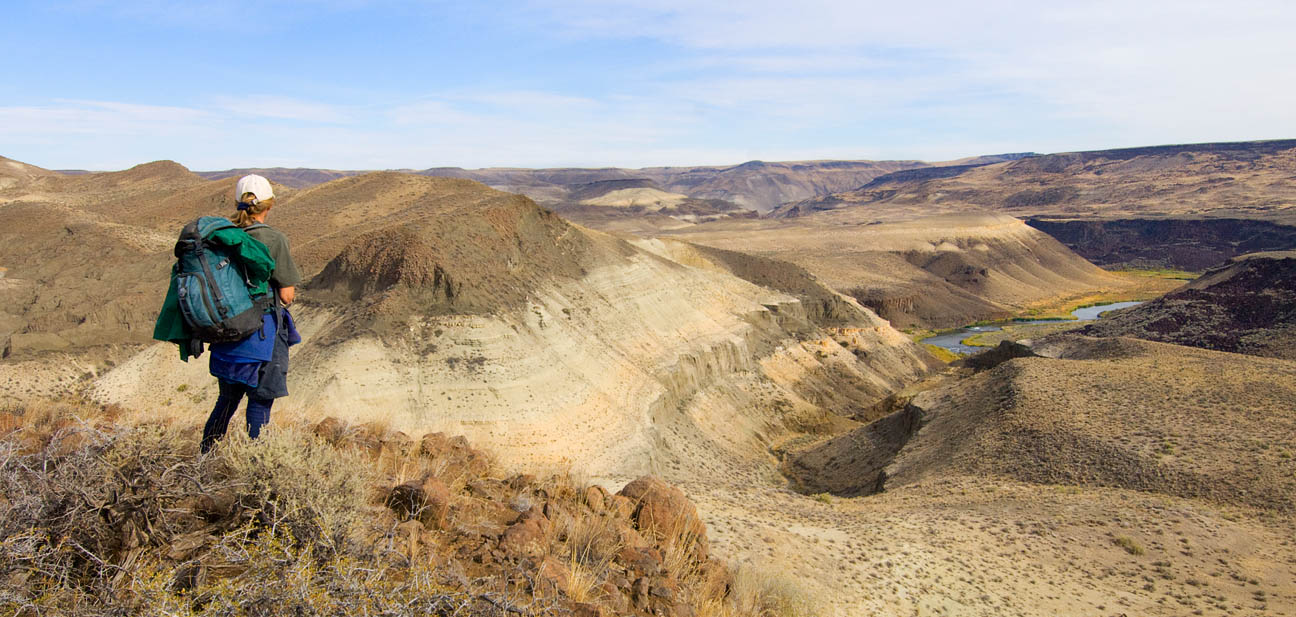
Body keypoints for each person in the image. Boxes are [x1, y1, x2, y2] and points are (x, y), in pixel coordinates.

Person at [200, 174, 303, 453]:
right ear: (268, 205)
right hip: (262, 335)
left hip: (226, 336)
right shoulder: (273, 239)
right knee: (259, 403)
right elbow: (286, 295)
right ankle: (255, 469)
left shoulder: (222, 237)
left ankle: (203, 461)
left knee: (226, 401)